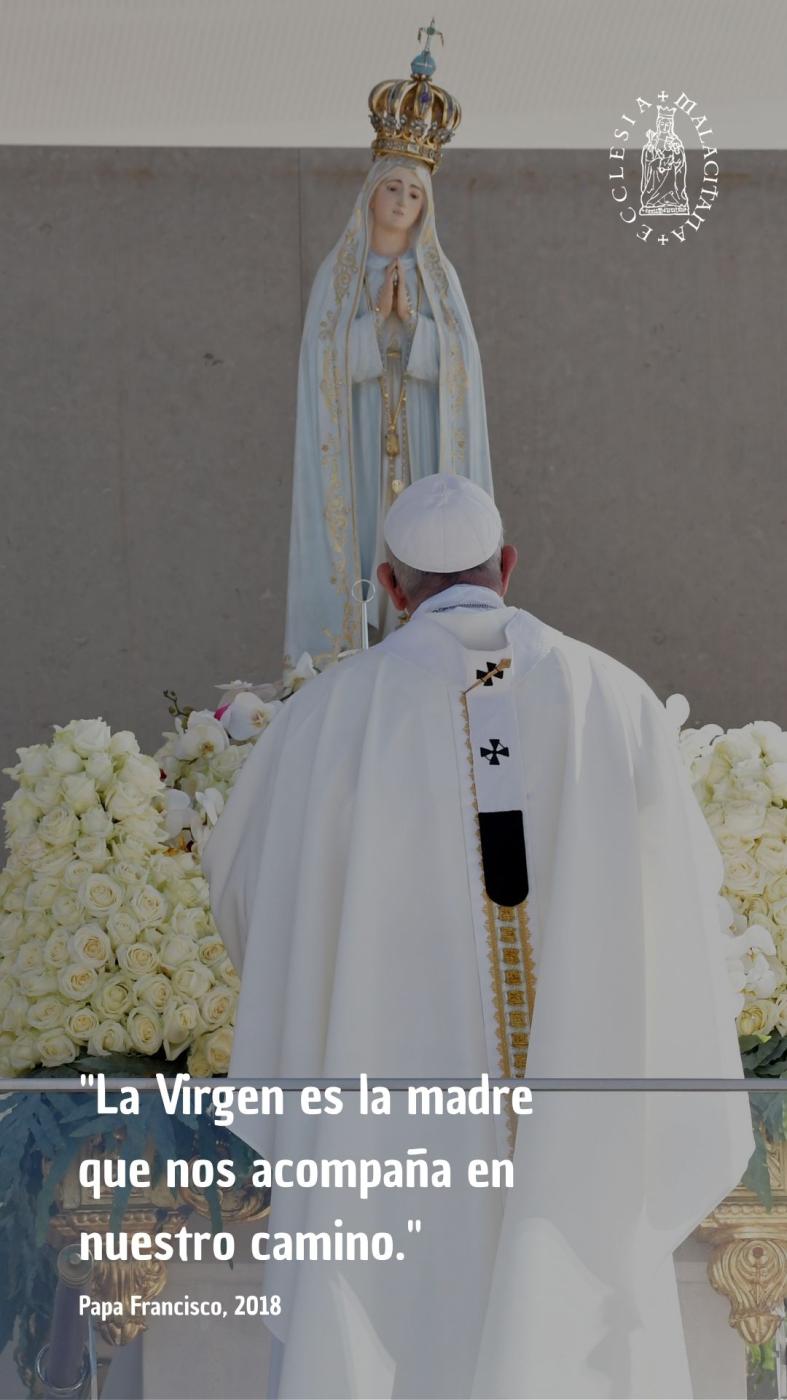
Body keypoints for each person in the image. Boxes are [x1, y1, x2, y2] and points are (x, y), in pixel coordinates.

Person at [203, 474, 753, 1399]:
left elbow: (253, 900)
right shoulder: (614, 701)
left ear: (387, 583)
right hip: (586, 1114)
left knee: (386, 1322)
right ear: (505, 565)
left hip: (386, 1127)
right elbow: (688, 905)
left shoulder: (329, 716)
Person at [283, 152, 493, 666]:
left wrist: (415, 325)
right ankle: (352, 650)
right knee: (362, 540)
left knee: (420, 535)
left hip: (423, 433)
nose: (402, 202)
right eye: (394, 188)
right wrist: (376, 318)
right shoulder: (340, 276)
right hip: (357, 439)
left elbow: (462, 368)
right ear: (371, 195)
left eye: (415, 194)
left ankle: (426, 638)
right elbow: (322, 365)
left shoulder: (440, 279)